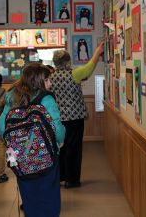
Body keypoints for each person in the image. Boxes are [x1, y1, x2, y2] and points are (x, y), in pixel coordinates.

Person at [0, 63, 65, 217]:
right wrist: (60, 140)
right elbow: (57, 126)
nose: (50, 83)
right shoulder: (46, 98)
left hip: (21, 158)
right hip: (46, 155)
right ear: (39, 80)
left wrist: (15, 144)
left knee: (29, 197)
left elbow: (2, 126)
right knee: (49, 197)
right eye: (47, 80)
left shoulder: (12, 95)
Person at [51, 41, 104, 188]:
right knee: (73, 148)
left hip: (58, 119)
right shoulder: (74, 74)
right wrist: (97, 52)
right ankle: (72, 180)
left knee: (60, 147)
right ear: (67, 61)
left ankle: (60, 176)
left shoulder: (51, 77)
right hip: (74, 118)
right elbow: (89, 68)